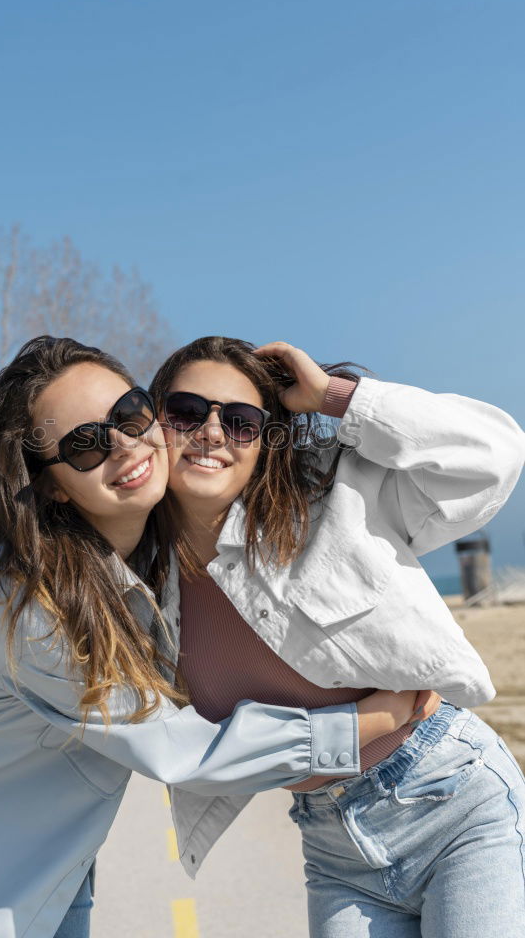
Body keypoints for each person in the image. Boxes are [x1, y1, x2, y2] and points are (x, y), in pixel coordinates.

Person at [0, 335, 422, 938]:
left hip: (45, 852)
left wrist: (337, 401)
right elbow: (178, 748)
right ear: (49, 483)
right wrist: (368, 724)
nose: (125, 445)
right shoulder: (23, 601)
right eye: (84, 444)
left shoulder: (137, 550)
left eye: (130, 414)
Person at [149, 335, 525, 937]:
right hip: (334, 849)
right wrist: (361, 726)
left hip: (451, 799)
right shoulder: (139, 587)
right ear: (154, 424)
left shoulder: (333, 498)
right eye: (187, 412)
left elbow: (494, 455)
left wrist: (334, 398)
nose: (213, 433)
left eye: (243, 421)